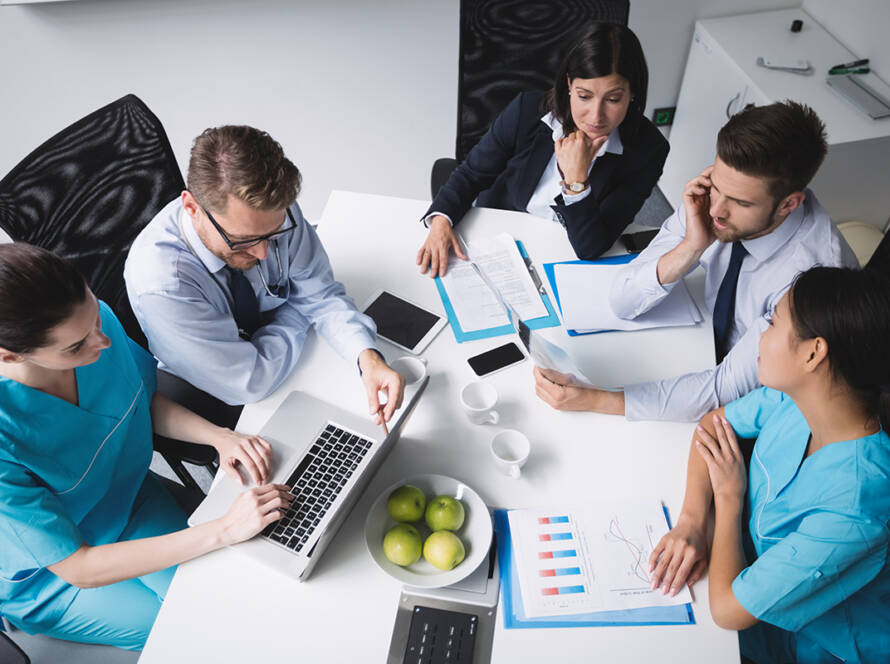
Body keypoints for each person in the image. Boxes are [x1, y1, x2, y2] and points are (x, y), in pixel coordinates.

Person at [0, 243, 292, 650]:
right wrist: (224, 529)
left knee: (239, 590)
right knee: (199, 631)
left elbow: (137, 399)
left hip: (129, 498)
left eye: (94, 316)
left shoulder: (94, 325)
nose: (102, 341)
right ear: (10, 356)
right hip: (52, 575)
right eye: (75, 346)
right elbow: (79, 567)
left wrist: (219, 437)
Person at [534, 101, 858, 422]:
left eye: (741, 202)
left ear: (789, 204)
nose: (716, 210)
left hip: (771, 401)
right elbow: (623, 301)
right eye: (717, 186)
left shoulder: (810, 277)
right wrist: (692, 245)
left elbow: (725, 389)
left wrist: (596, 398)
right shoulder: (715, 199)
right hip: (701, 343)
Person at [649, 267, 890, 663]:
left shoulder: (856, 508)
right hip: (748, 582)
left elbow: (728, 611)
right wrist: (691, 521)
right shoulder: (800, 399)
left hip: (813, 645)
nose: (761, 334)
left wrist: (728, 498)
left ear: (813, 353)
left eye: (774, 322)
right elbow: (712, 426)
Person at [124, 125, 404, 423]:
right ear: (192, 208)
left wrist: (367, 356)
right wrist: (298, 308)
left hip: (287, 357)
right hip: (220, 393)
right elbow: (250, 382)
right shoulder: (162, 286)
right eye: (243, 240)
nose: (263, 253)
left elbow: (321, 295)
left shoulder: (271, 212)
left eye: (273, 235)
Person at [416, 22, 669, 275]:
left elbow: (590, 247)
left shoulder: (649, 151)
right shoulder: (526, 111)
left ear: (632, 93)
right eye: (584, 96)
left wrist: (576, 181)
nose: (596, 116)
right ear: (569, 84)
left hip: (567, 254)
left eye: (613, 99)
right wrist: (440, 220)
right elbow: (471, 174)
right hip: (505, 234)